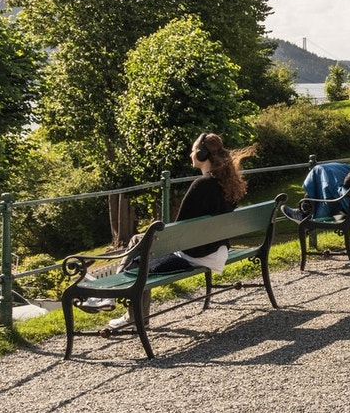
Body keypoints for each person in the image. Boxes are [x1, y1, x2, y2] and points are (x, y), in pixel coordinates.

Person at [91, 132, 250, 322]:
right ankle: (115, 301)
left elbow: (178, 230)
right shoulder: (227, 184)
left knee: (139, 260)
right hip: (216, 250)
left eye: (192, 151)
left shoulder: (201, 185)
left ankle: (112, 297)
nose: (190, 155)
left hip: (195, 253)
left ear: (201, 155)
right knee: (138, 243)